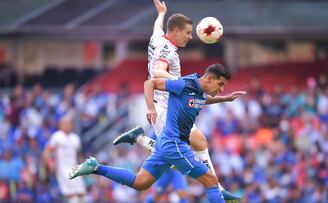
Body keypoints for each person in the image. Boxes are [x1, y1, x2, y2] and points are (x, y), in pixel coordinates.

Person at [113, 0, 242, 201]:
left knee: (198, 142)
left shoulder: (159, 38)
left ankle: (218, 187)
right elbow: (157, 72)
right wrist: (185, 86)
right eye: (188, 32)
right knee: (174, 156)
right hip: (165, 106)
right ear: (175, 32)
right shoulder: (167, 50)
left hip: (172, 103)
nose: (190, 37)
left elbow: (157, 28)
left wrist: (161, 13)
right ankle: (139, 138)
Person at [68, 64, 244, 203]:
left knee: (140, 183)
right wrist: (151, 108)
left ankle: (96, 167)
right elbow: (150, 83)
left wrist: (225, 98)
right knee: (211, 181)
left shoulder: (199, 92)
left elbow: (202, 100)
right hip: (175, 144)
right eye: (220, 84)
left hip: (165, 144)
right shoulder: (183, 84)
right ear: (210, 78)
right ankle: (138, 138)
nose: (221, 88)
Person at [43, 116, 85, 203]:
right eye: (65, 124)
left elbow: (78, 156)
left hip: (75, 168)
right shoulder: (57, 137)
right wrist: (50, 163)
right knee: (72, 195)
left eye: (69, 124)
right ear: (60, 125)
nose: (67, 126)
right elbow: (47, 152)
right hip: (63, 169)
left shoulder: (75, 138)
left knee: (81, 194)